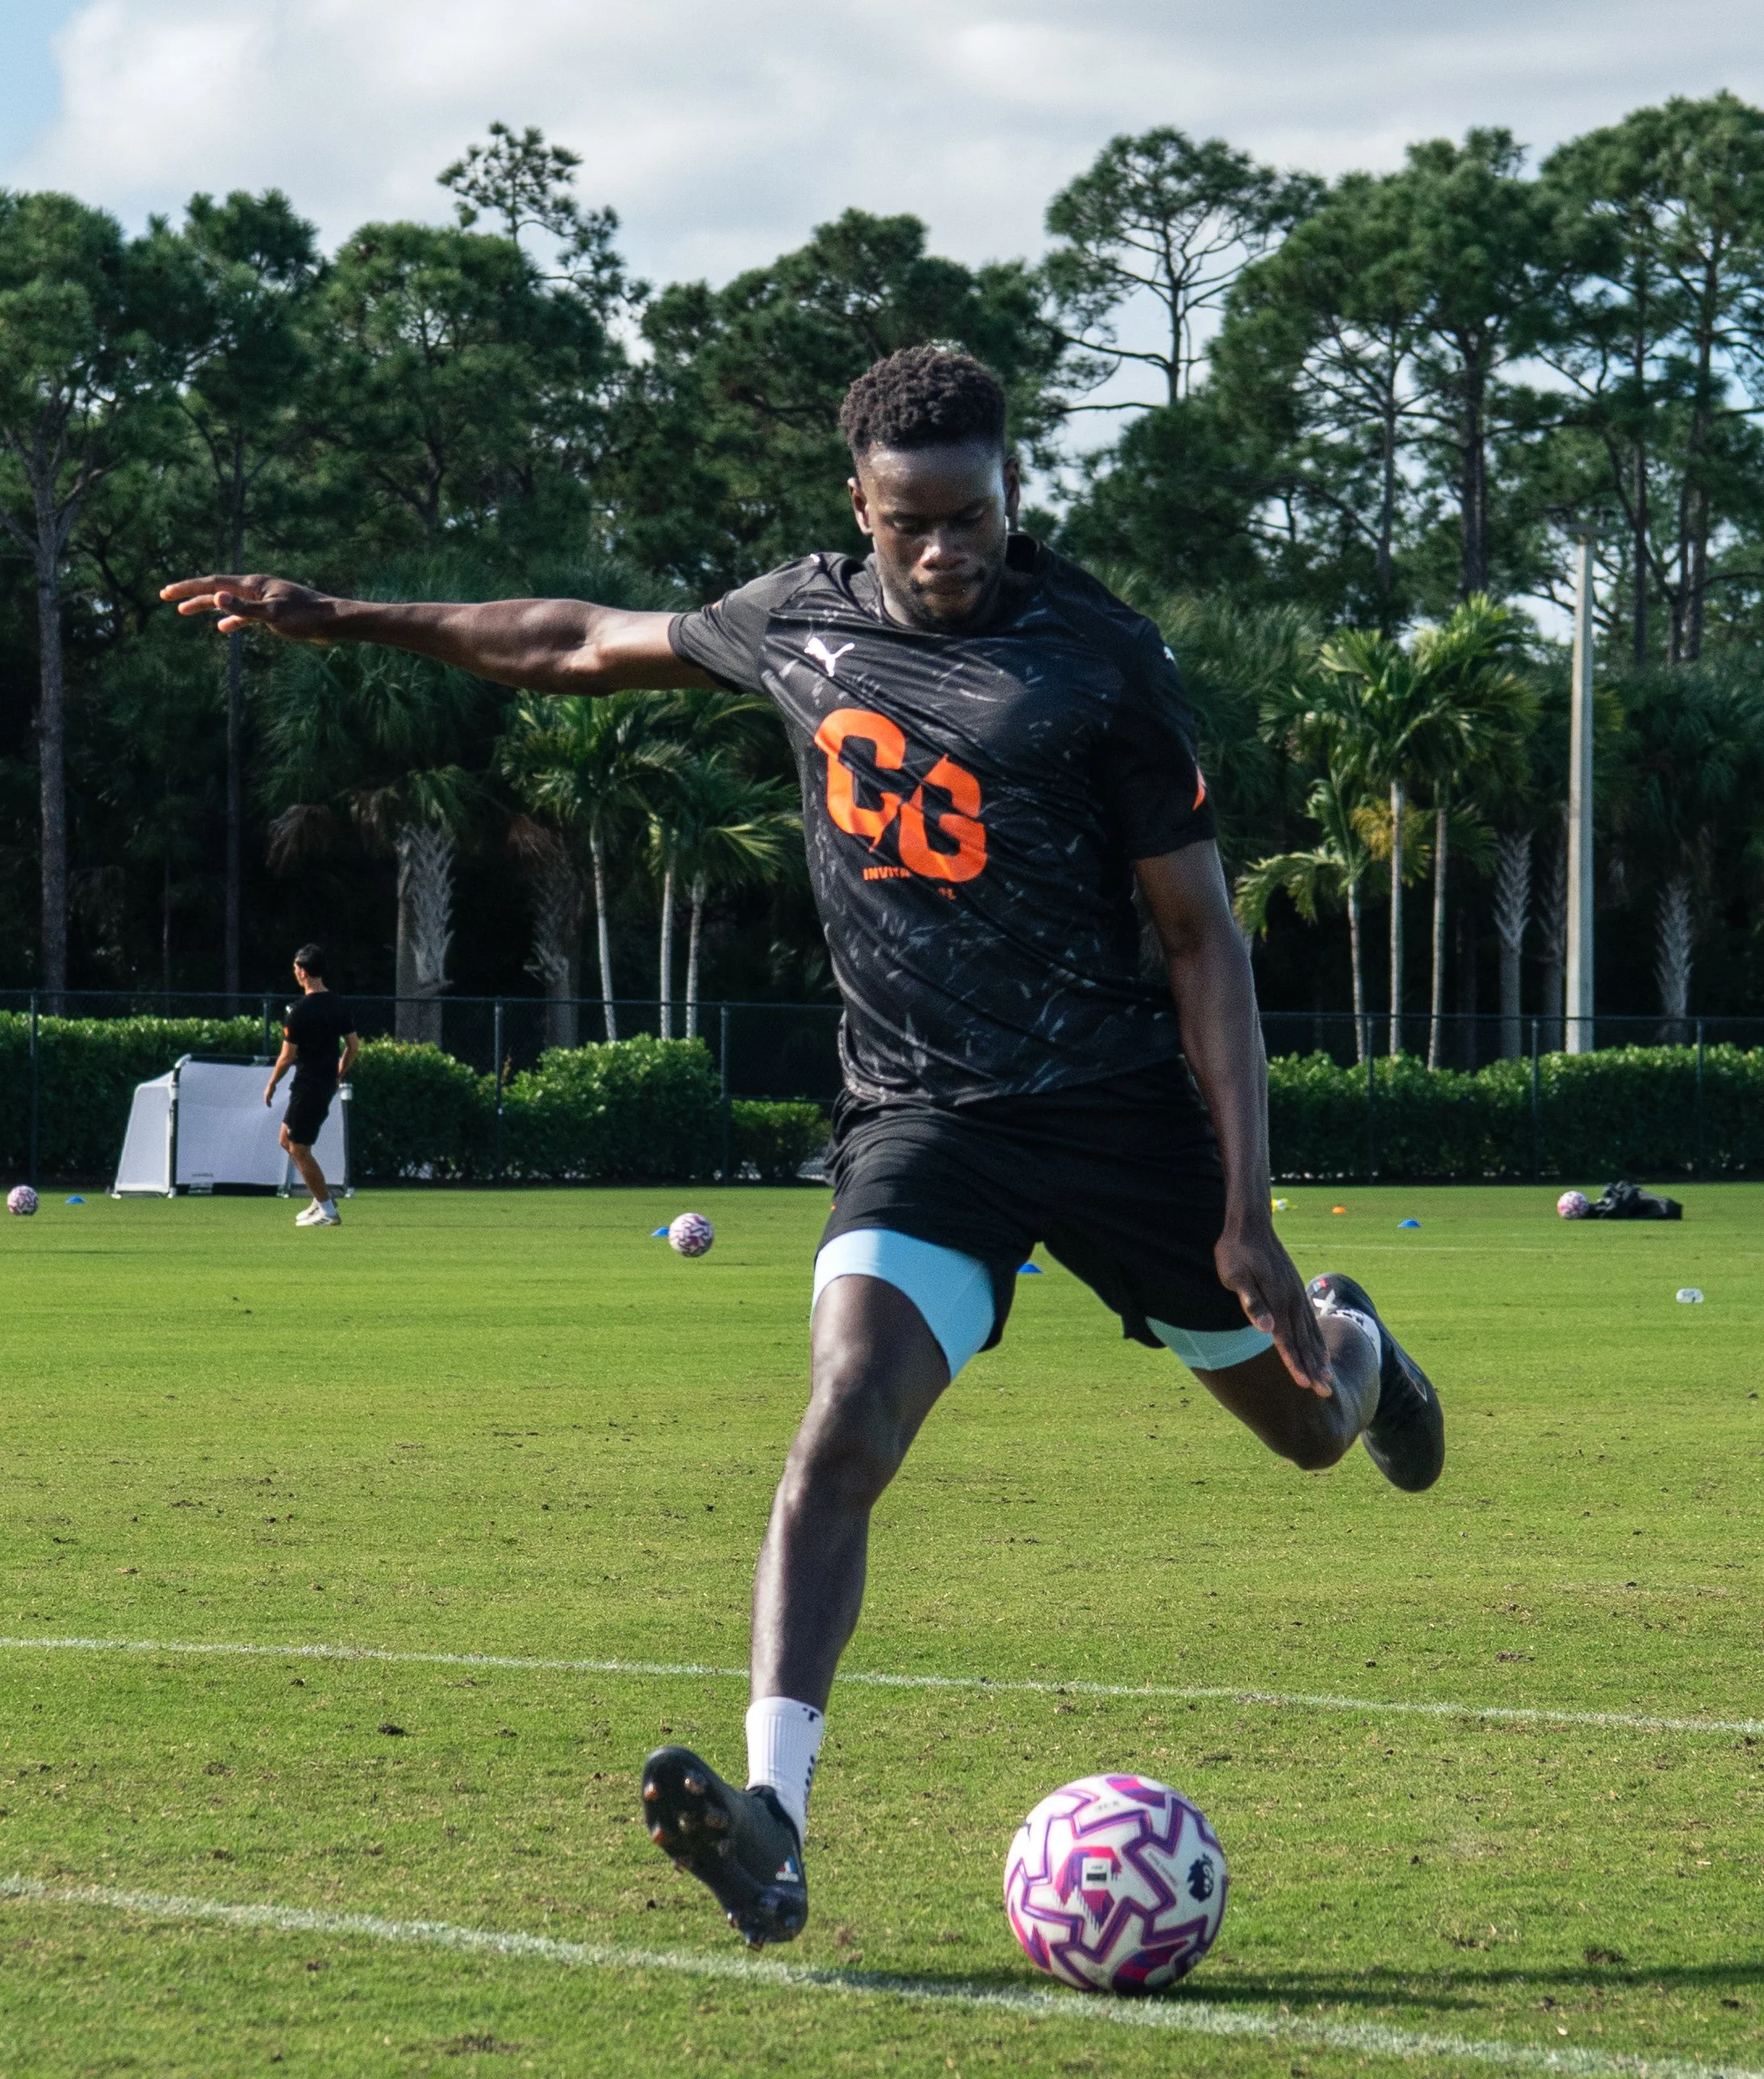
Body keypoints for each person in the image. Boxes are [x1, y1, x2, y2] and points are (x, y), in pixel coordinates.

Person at [162, 345, 1443, 1948]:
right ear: (860, 504)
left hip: (1123, 1121)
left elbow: (1203, 944)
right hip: (919, 1125)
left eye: (969, 514)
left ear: (1011, 490)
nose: (942, 550)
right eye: (909, 521)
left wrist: (1247, 1212)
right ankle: (771, 1817)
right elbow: (569, 638)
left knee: (1310, 1433)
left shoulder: (1102, 667)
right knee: (843, 1410)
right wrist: (346, 614)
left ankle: (1361, 1347)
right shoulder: (798, 617)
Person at [264, 943, 359, 1226]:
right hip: (324, 1083)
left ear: (303, 972)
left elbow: (286, 1057)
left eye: (296, 968)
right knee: (287, 1140)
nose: (295, 973)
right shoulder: (338, 1002)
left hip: (308, 1085)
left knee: (299, 1148)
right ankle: (320, 1200)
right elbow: (353, 1046)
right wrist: (340, 1071)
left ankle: (328, 1212)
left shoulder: (297, 1010)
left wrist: (270, 1084)